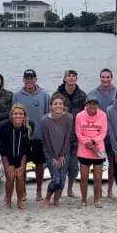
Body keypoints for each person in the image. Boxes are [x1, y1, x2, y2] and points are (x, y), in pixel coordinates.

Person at [12, 69, 50, 201]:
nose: (29, 81)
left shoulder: (44, 95)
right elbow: (13, 116)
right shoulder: (17, 95)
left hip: (39, 137)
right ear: (23, 80)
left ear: (36, 79)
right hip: (22, 137)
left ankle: (39, 191)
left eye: (31, 78)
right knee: (22, 164)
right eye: (26, 78)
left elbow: (48, 115)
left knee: (39, 164)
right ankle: (23, 192)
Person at [52, 69, 87, 198]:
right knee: (60, 167)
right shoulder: (57, 95)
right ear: (65, 78)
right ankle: (58, 191)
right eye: (69, 76)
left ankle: (70, 189)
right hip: (60, 137)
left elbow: (86, 115)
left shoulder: (82, 95)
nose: (71, 78)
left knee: (73, 168)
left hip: (76, 137)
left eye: (73, 76)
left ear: (76, 79)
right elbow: (50, 114)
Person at [87, 68, 117, 198]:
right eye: (103, 77)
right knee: (96, 162)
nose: (105, 79)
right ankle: (97, 191)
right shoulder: (93, 94)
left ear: (111, 78)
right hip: (97, 137)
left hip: (112, 135)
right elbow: (86, 115)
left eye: (108, 77)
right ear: (100, 78)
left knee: (112, 163)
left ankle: (110, 190)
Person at [41, 94, 73, 208]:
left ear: (63, 106)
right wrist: (54, 157)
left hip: (64, 153)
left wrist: (62, 155)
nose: (58, 106)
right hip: (50, 153)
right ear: (51, 106)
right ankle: (47, 199)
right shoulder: (44, 120)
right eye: (55, 104)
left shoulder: (69, 117)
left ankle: (57, 198)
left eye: (60, 104)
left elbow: (67, 137)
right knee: (56, 179)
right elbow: (46, 141)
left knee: (63, 179)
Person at [75, 95, 107, 208]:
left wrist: (93, 142)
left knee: (98, 178)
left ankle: (97, 200)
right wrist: (87, 143)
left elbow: (103, 133)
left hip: (99, 149)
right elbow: (78, 133)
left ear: (97, 105)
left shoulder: (103, 115)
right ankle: (83, 200)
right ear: (86, 104)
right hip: (84, 149)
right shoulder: (79, 116)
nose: (92, 106)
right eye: (90, 103)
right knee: (84, 177)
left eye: (94, 103)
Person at [0, 104, 30, 210]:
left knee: (20, 176)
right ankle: (8, 200)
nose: (18, 116)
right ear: (11, 115)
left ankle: (19, 202)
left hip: (20, 157)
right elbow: (3, 149)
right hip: (7, 157)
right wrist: (9, 166)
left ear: (24, 116)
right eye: (15, 114)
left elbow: (25, 150)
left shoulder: (26, 128)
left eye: (21, 114)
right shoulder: (4, 127)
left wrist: (22, 166)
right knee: (10, 177)